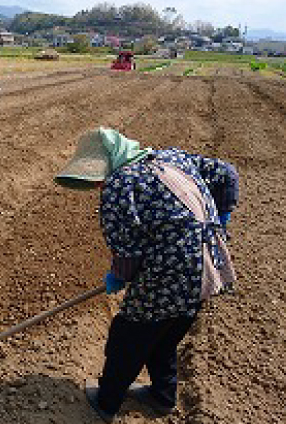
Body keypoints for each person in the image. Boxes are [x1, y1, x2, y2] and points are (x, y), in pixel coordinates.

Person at [54, 127, 239, 423]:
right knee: (167, 335)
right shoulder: (172, 157)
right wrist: (223, 215)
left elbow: (128, 256)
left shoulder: (119, 187)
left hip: (169, 276)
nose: (100, 184)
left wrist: (119, 276)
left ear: (110, 163)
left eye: (98, 176)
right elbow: (226, 173)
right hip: (209, 265)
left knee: (127, 336)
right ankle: (161, 397)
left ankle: (106, 402)